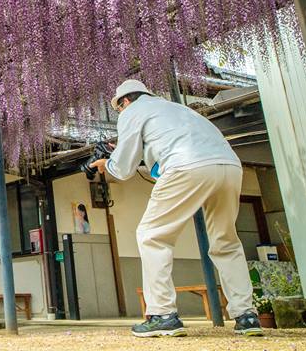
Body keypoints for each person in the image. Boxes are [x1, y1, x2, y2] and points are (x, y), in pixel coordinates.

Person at [91, 79, 262, 338]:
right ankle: (246, 316)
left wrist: (108, 165)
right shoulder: (177, 109)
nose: (120, 113)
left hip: (186, 165)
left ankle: (162, 314)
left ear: (125, 101)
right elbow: (162, 155)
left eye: (119, 108)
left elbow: (123, 169)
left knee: (152, 235)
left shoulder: (132, 112)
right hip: (229, 166)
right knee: (225, 241)